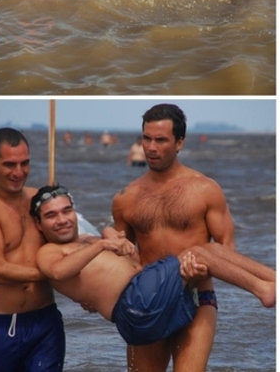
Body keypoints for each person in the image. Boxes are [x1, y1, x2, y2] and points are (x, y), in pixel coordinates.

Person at [33, 185, 274, 347]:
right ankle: (264, 290)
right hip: (134, 306)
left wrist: (116, 241)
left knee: (206, 250)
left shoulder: (88, 240)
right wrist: (102, 246)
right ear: (38, 223)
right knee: (199, 253)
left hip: (146, 299)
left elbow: (130, 263)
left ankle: (272, 278)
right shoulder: (49, 251)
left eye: (67, 211)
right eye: (51, 215)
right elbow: (58, 271)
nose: (62, 220)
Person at [112, 104, 235, 371]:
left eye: (160, 140)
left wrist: (202, 267)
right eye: (146, 138)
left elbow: (227, 248)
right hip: (149, 301)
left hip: (197, 296)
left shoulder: (205, 189)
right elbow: (121, 255)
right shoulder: (125, 198)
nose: (151, 147)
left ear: (179, 142)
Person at [0, 127, 65, 371]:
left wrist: (86, 289)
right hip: (1, 326)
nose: (19, 172)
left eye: (25, 163)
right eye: (10, 165)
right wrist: (53, 273)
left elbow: (69, 245)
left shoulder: (41, 202)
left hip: (45, 323)